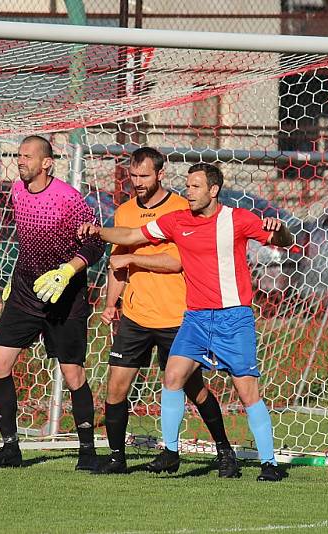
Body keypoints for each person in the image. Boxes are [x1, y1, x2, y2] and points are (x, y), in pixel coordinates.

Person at [80, 162, 293, 482]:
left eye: (194, 187)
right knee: (173, 377)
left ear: (213, 190)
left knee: (247, 392)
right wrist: (98, 231)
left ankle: (269, 464)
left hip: (233, 317)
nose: (188, 192)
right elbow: (130, 235)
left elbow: (284, 242)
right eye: (187, 186)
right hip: (195, 317)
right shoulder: (178, 221)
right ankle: (171, 453)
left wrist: (281, 230)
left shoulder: (237, 219)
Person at [92, 148, 238, 477]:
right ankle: (117, 458)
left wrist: (133, 260)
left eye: (144, 176)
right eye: (133, 176)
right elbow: (118, 260)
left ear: (160, 174)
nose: (138, 182)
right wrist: (110, 303)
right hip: (135, 317)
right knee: (116, 388)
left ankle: (225, 452)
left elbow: (177, 261)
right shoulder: (125, 212)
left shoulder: (180, 209)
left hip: (177, 318)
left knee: (193, 388)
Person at [0, 135, 104, 471]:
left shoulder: (68, 199)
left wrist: (66, 272)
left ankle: (88, 453)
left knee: (73, 374)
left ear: (47, 163)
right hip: (25, 293)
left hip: (65, 298)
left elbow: (94, 245)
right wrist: (14, 279)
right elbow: (29, 243)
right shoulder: (17, 192)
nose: (21, 161)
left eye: (28, 156)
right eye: (19, 155)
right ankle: (10, 449)